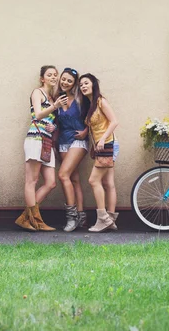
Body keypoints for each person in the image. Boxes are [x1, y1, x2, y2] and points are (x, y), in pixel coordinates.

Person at [15, 65, 68, 231]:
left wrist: (53, 127)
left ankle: (26, 217)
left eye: (55, 75)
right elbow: (37, 115)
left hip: (46, 142)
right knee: (32, 180)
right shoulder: (37, 92)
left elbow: (48, 120)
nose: (53, 77)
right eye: (49, 75)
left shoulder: (53, 98)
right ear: (42, 78)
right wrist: (55, 106)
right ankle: (36, 220)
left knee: (51, 182)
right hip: (35, 140)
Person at [79, 73, 120, 232]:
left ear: (93, 84)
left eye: (86, 83)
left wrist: (102, 139)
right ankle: (111, 220)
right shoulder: (90, 105)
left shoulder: (100, 101)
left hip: (108, 144)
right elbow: (95, 125)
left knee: (93, 180)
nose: (83, 86)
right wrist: (86, 133)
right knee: (109, 183)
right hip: (105, 145)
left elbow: (114, 121)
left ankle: (103, 219)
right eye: (81, 84)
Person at [56, 67, 89, 232]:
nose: (65, 82)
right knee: (73, 179)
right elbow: (55, 122)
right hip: (63, 141)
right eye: (64, 79)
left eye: (69, 80)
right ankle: (81, 215)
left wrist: (86, 131)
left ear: (74, 83)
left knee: (62, 175)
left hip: (78, 140)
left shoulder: (80, 98)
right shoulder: (57, 100)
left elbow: (93, 113)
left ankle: (72, 217)